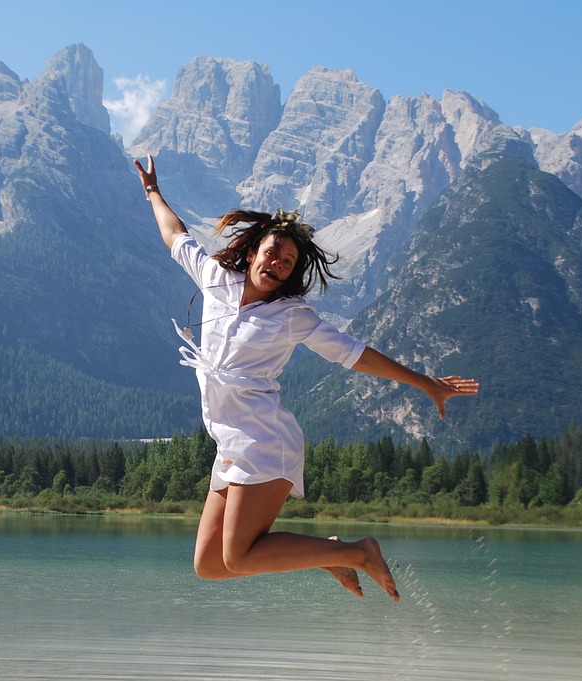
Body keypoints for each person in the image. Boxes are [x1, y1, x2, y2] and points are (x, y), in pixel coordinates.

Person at [134, 155, 479, 601]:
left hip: (264, 441)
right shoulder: (215, 277)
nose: (277, 262)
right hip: (229, 443)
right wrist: (152, 192)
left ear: (291, 275)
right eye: (273, 252)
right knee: (209, 566)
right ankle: (331, 553)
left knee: (238, 557)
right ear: (254, 249)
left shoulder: (292, 315)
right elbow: (174, 234)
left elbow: (356, 356)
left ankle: (357, 552)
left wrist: (425, 382)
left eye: (288, 262)